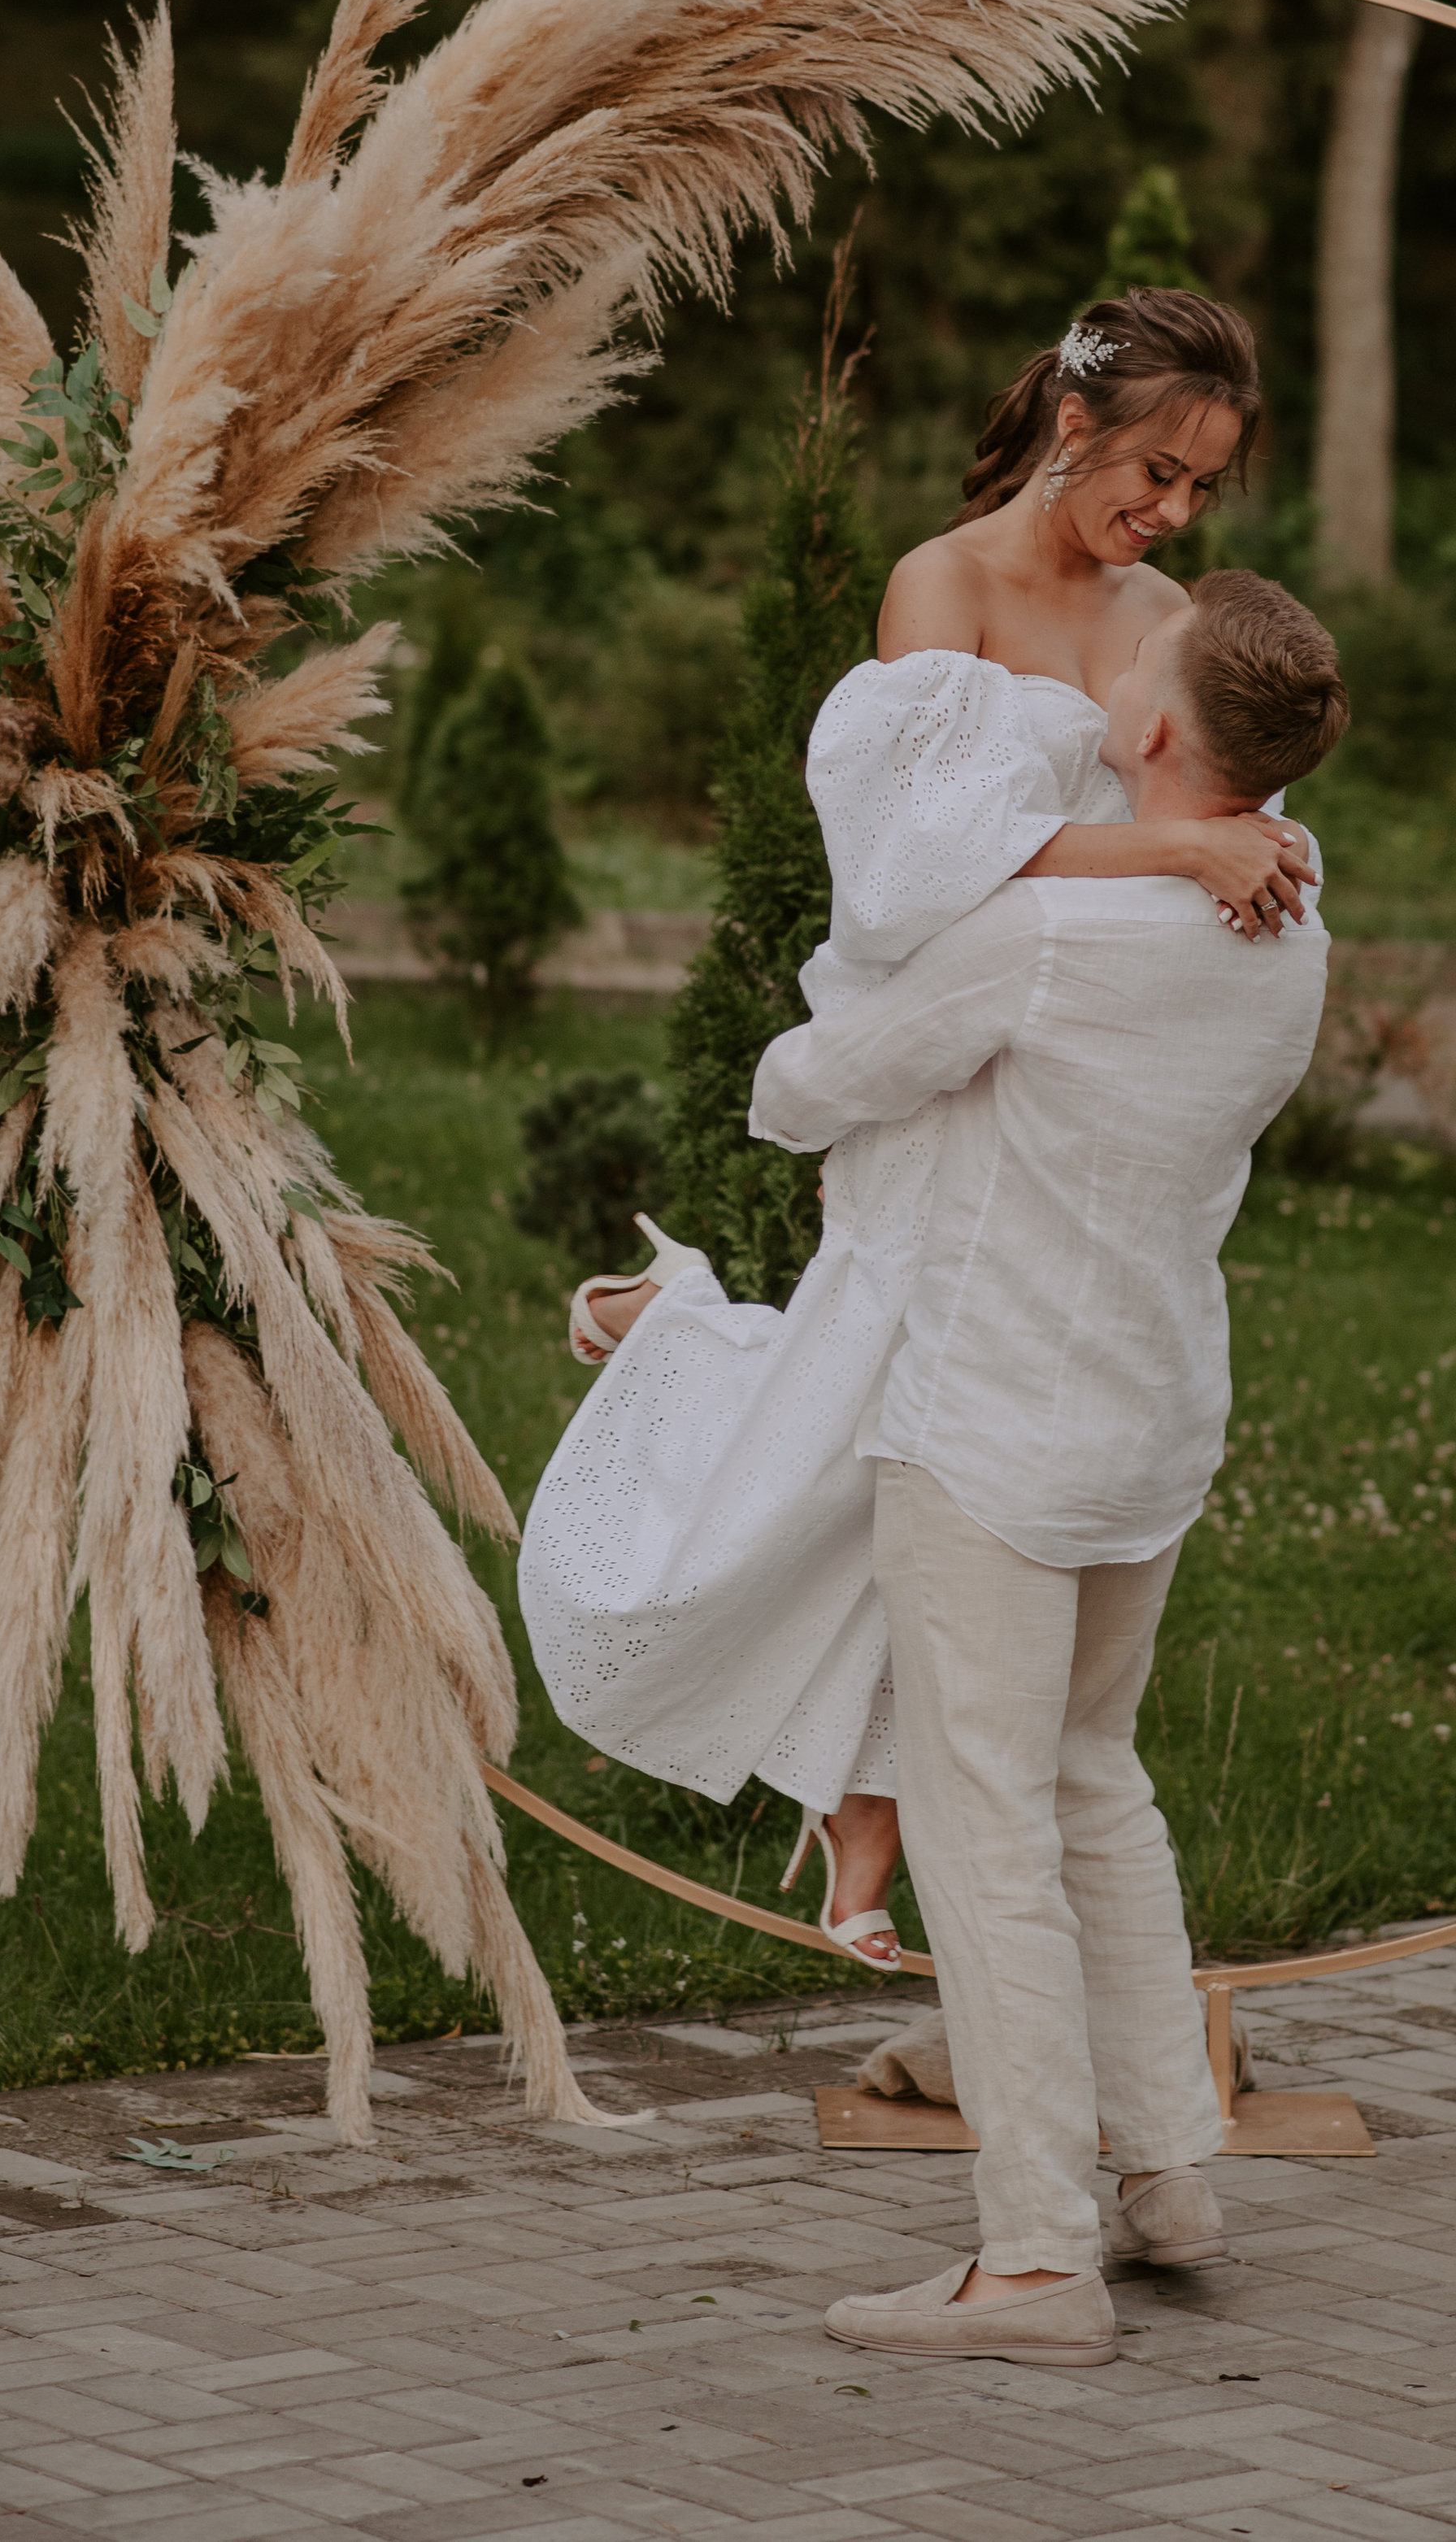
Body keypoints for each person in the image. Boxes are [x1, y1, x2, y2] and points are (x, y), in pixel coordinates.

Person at [518, 292, 1319, 1969]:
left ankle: (858, 1805)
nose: (1169, 513)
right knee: (891, 1421)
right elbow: (909, 880)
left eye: (1200, 489)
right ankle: (689, 1366)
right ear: (1076, 422)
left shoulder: (1168, 612)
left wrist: (1252, 852)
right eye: (1154, 469)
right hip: (936, 1054)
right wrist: (1172, 861)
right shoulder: (939, 587)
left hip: (1067, 1096)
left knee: (950, 1447)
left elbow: (1207, 795)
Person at [745, 573, 1346, 2365]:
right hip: (1149, 1415)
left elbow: (804, 1086)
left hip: (993, 1423)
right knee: (1096, 1776)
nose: (1101, 678)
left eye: (1130, 670)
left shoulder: (1046, 937)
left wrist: (825, 1034)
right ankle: (1169, 2169)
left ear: (1152, 729)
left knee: (984, 1817)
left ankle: (1031, 2259)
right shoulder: (1296, 917)